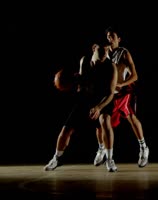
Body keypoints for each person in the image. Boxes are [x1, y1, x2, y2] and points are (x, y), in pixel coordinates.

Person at [44, 43, 119, 172]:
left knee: (104, 121)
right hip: (86, 99)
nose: (98, 63)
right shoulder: (84, 61)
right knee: (65, 130)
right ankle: (56, 158)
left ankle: (110, 159)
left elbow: (111, 93)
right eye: (96, 61)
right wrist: (75, 82)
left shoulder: (111, 67)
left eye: (102, 60)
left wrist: (98, 107)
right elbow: (82, 86)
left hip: (103, 100)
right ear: (93, 49)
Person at [93, 26, 149, 168]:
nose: (109, 39)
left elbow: (135, 76)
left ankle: (143, 148)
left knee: (131, 118)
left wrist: (122, 84)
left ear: (119, 39)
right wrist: (95, 52)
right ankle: (101, 149)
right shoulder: (103, 51)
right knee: (100, 123)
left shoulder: (124, 53)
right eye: (108, 37)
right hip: (107, 93)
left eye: (112, 36)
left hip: (123, 93)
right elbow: (94, 66)